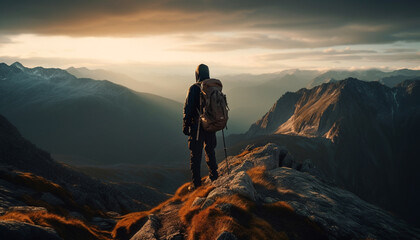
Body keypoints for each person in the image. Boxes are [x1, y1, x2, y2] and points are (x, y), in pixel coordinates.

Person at [183, 64, 218, 191]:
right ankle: (215, 177)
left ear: (197, 74)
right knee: (210, 151)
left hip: (197, 127)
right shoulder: (213, 87)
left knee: (196, 155)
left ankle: (196, 185)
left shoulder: (194, 88)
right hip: (211, 125)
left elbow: (188, 108)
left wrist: (185, 125)